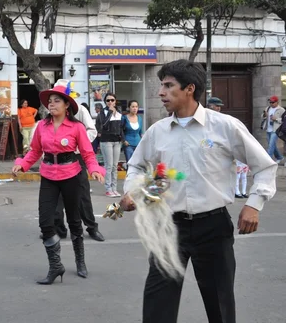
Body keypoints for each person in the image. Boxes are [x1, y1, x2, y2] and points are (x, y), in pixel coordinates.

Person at [119, 59, 277, 323]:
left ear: (189, 88)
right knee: (158, 305)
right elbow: (135, 166)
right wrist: (132, 191)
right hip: (168, 228)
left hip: (213, 227)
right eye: (161, 86)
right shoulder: (157, 131)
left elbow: (265, 166)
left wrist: (253, 204)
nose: (161, 92)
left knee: (220, 304)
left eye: (168, 86)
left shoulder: (224, 126)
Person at [12, 80, 105, 285]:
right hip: (48, 176)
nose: (51, 105)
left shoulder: (76, 127)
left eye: (56, 101)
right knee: (46, 222)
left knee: (74, 221)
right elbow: (35, 151)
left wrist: (95, 169)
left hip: (71, 174)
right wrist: (23, 164)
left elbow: (88, 154)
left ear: (66, 106)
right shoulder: (42, 126)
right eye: (49, 102)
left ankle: (80, 262)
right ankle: (56, 266)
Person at [52, 82, 105, 243]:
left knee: (82, 196)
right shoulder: (52, 112)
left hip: (76, 157)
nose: (55, 101)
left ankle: (91, 227)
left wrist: (77, 144)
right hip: (57, 161)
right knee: (56, 197)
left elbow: (92, 130)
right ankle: (59, 229)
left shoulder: (80, 110)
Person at [207, 97, 251, 198]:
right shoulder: (204, 118)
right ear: (210, 106)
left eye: (219, 107)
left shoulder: (224, 120)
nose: (218, 109)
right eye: (216, 106)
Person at [96, 92, 123, 198]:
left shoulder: (119, 112)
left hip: (117, 141)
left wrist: (122, 138)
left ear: (115, 101)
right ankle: (108, 189)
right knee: (109, 166)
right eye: (108, 100)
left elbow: (121, 127)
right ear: (105, 102)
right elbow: (103, 125)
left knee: (115, 166)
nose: (110, 102)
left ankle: (114, 188)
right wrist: (110, 113)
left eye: (112, 100)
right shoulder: (103, 112)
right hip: (106, 141)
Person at [261, 95, 285, 163]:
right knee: (272, 145)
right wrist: (264, 115)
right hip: (268, 129)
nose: (271, 104)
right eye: (270, 102)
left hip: (276, 130)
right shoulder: (268, 108)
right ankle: (279, 157)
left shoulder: (281, 110)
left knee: (271, 145)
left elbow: (285, 120)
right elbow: (262, 117)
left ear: (277, 102)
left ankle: (268, 161)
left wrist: (276, 119)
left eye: (273, 102)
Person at [122, 100, 143, 165]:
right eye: (133, 106)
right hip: (128, 144)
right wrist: (124, 140)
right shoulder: (124, 118)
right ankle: (129, 175)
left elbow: (140, 132)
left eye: (136, 107)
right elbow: (121, 130)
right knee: (130, 163)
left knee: (138, 164)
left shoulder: (139, 118)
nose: (135, 108)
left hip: (138, 144)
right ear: (129, 108)